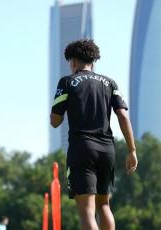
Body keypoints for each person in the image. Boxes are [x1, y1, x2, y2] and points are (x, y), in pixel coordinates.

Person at [50, 39, 137, 230]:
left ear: (73, 61)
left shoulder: (67, 82)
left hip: (82, 148)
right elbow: (123, 115)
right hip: (107, 150)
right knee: (104, 205)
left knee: (86, 210)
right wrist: (132, 150)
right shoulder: (110, 83)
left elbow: (55, 121)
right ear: (93, 61)